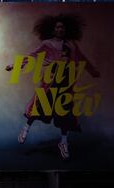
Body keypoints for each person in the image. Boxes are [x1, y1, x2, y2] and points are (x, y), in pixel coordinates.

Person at [6, 14, 100, 160]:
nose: (60, 29)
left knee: (66, 113)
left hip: (66, 82)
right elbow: (32, 56)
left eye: (62, 27)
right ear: (53, 29)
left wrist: (93, 71)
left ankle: (63, 142)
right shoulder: (47, 44)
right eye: (57, 27)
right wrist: (15, 65)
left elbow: (82, 58)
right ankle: (26, 128)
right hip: (51, 80)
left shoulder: (72, 44)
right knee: (39, 105)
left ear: (66, 29)